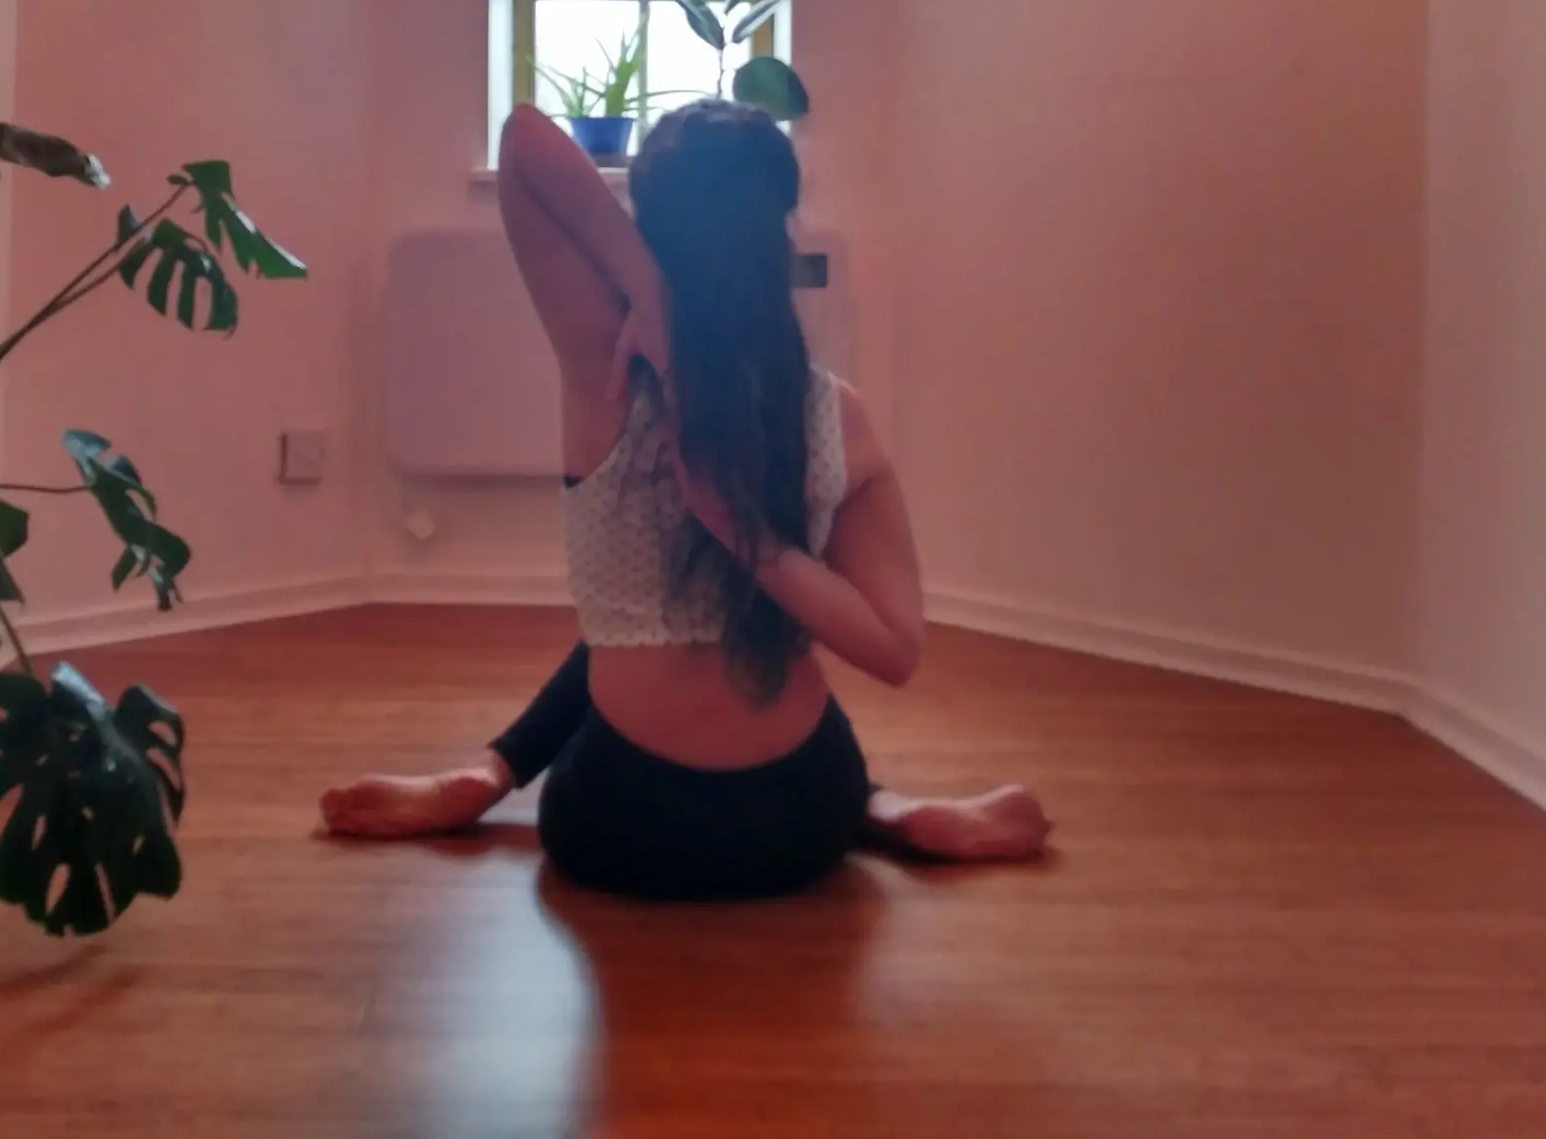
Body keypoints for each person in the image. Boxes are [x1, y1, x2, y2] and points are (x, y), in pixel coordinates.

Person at [320, 99, 1050, 897]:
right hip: (807, 813)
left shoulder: (608, 371)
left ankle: (490, 772)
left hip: (624, 821)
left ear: (649, 227)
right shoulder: (841, 415)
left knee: (625, 621)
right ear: (780, 232)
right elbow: (895, 651)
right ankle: (883, 807)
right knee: (709, 617)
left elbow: (525, 138)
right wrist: (760, 548)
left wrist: (648, 297)